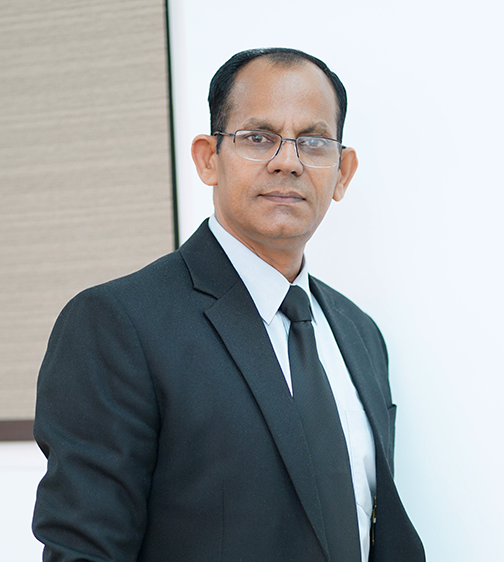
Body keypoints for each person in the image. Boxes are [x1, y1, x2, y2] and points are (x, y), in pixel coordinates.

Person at [33, 48, 425, 562]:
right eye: (258, 138)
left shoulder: (359, 333)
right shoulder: (117, 325)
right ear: (208, 158)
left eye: (313, 142)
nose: (287, 161)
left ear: (343, 172)